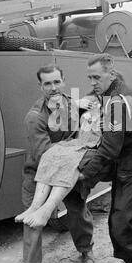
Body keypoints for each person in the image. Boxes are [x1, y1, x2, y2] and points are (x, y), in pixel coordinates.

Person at [78, 53, 132, 263]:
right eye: (90, 78)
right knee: (117, 219)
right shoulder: (112, 91)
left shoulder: (117, 101)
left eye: (96, 77)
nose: (92, 83)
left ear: (111, 74)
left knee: (122, 221)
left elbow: (109, 149)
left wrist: (85, 174)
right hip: (129, 160)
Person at [19, 64, 95, 263]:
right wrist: (73, 144)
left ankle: (86, 251)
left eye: (56, 82)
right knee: (32, 221)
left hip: (68, 170)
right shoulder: (35, 117)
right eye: (47, 83)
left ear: (63, 81)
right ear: (40, 86)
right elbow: (45, 155)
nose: (53, 88)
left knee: (79, 212)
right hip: (38, 173)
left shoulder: (73, 105)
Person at [16, 95, 102, 229]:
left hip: (75, 153)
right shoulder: (36, 116)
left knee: (77, 210)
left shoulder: (74, 105)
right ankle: (35, 208)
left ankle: (45, 210)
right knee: (51, 156)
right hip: (40, 167)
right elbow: (41, 152)